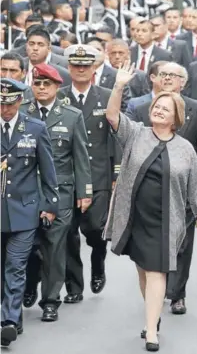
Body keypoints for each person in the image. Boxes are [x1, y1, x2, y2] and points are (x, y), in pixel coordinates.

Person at [103, 61, 197, 352]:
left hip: (166, 220)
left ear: (177, 118)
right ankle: (154, 314)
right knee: (143, 269)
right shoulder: (136, 133)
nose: (159, 110)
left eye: (165, 109)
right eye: (156, 107)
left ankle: (151, 330)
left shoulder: (185, 148)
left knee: (156, 271)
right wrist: (119, 84)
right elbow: (112, 116)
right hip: (135, 217)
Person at [20, 64, 92, 322]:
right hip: (25, 191)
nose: (40, 88)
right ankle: (28, 284)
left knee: (54, 246)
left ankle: (50, 300)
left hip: (59, 192)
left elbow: (81, 156)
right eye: (37, 83)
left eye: (46, 84)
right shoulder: (20, 112)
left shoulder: (71, 116)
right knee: (26, 246)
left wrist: (84, 191)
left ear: (57, 87)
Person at [0, 78, 59, 347]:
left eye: (10, 104)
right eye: (1, 104)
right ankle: (13, 315)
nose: (5, 109)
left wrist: (50, 205)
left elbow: (48, 171)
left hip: (24, 213)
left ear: (19, 101)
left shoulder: (34, 128)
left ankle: (8, 321)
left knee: (16, 267)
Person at [60, 44, 114, 303]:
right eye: (76, 65)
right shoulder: (58, 97)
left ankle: (99, 259)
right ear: (69, 68)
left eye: (86, 65)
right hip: (66, 176)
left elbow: (116, 136)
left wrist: (116, 173)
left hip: (98, 175)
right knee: (69, 234)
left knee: (94, 229)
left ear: (94, 68)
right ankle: (74, 286)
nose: (81, 69)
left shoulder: (106, 95)